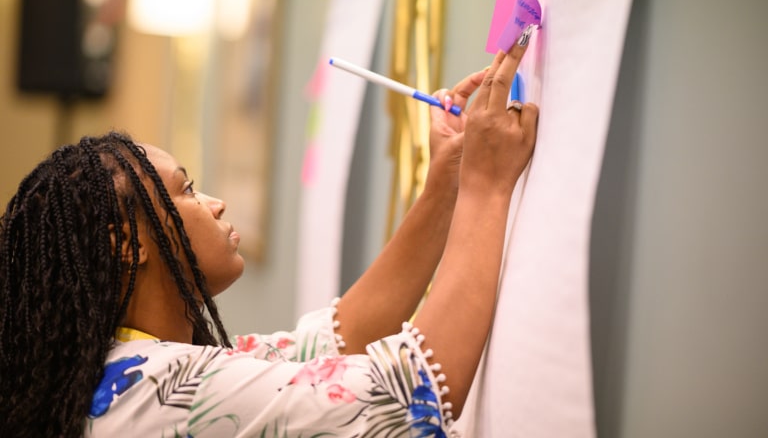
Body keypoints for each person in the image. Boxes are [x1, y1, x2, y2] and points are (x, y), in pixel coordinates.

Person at [0, 26, 538, 437]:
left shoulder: (133, 365)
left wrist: (446, 181)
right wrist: (486, 187)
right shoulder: (158, 389)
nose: (215, 204)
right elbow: (416, 392)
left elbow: (334, 342)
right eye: (186, 190)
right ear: (128, 243)